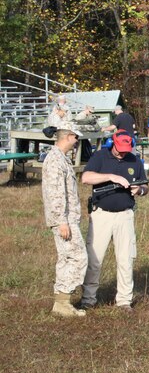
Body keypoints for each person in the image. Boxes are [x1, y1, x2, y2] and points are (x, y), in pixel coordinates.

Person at [80, 129, 149, 312]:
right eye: (119, 148)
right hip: (101, 214)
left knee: (126, 259)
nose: (122, 152)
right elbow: (85, 178)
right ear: (113, 143)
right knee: (94, 259)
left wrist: (140, 190)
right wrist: (111, 177)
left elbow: (144, 185)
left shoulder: (134, 160)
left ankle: (124, 301)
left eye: (126, 149)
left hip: (125, 215)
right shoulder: (100, 156)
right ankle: (88, 299)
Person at [41, 123, 88, 317]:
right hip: (63, 219)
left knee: (67, 258)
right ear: (68, 136)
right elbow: (55, 193)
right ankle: (62, 300)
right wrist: (61, 220)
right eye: (76, 137)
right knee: (77, 257)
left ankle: (62, 303)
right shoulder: (55, 160)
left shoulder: (61, 158)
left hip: (67, 218)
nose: (77, 142)